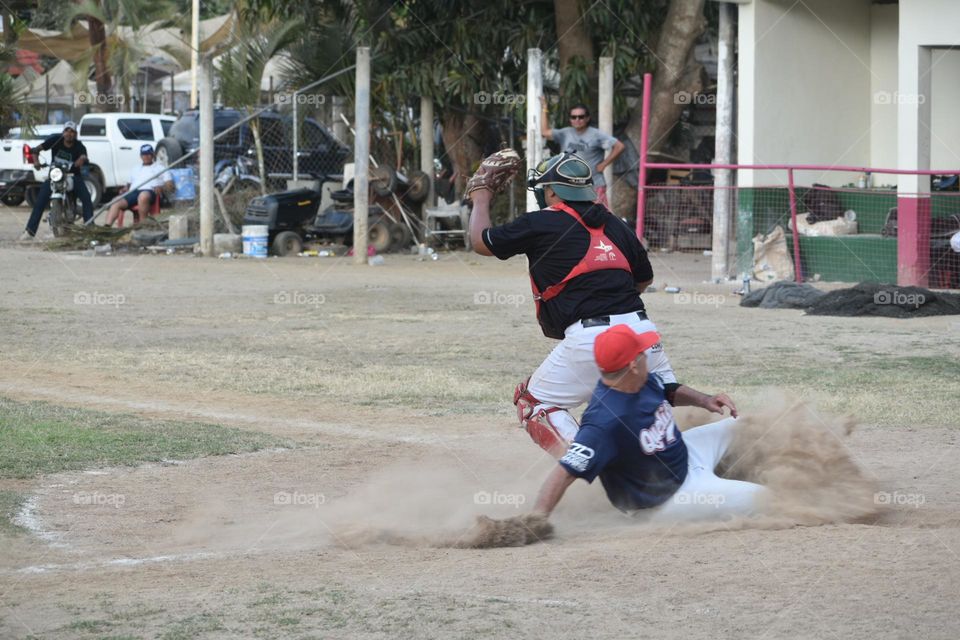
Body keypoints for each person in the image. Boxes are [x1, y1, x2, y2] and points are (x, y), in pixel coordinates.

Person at [467, 150, 736, 457]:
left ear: (552, 191)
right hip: (641, 331)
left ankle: (588, 464)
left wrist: (481, 194)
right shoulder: (616, 224)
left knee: (532, 400)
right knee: (654, 390)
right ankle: (685, 456)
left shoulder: (540, 222)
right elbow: (643, 280)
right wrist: (705, 399)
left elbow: (481, 241)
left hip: (589, 338)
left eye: (545, 189)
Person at [530, 324, 765, 522]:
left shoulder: (639, 379)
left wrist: (705, 400)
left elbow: (667, 391)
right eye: (641, 351)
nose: (646, 353)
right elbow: (563, 473)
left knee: (747, 425)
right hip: (668, 499)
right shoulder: (604, 422)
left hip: (686, 454)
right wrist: (536, 521)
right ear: (633, 364)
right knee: (767, 500)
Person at [540, 96, 625, 207]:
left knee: (599, 218)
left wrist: (604, 164)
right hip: (569, 187)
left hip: (594, 186)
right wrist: (544, 108)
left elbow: (619, 146)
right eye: (573, 117)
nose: (577, 120)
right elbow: (545, 132)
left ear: (587, 118)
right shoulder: (565, 133)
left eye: (581, 117)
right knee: (571, 219)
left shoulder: (596, 134)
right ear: (570, 119)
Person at [20, 121, 93, 241]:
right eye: (67, 131)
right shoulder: (55, 140)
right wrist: (36, 162)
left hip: (72, 175)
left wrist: (81, 159)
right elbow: (36, 150)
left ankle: (90, 229)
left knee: (86, 199)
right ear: (63, 132)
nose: (69, 134)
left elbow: (84, 156)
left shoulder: (80, 146)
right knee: (40, 202)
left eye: (72, 131)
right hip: (55, 175)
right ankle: (29, 231)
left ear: (76, 134)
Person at [105, 144, 174, 227]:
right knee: (116, 201)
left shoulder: (160, 168)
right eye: (144, 154)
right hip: (134, 192)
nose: (146, 157)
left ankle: (142, 225)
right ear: (141, 156)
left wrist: (162, 188)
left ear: (153, 155)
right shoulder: (135, 168)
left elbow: (170, 186)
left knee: (143, 196)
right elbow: (129, 185)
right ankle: (106, 227)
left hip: (150, 191)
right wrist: (125, 189)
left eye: (148, 154)